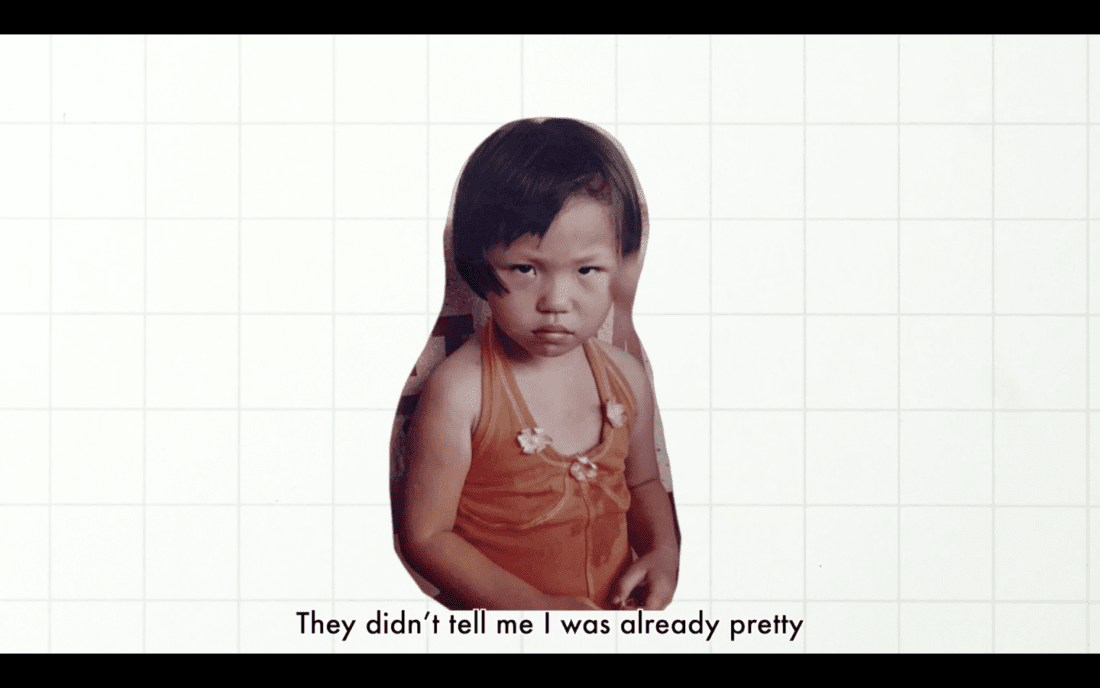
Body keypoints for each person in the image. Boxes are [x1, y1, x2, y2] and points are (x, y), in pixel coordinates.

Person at [393, 118, 678, 610]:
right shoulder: (462, 390)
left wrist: (664, 551)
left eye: (587, 270)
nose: (557, 301)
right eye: (525, 269)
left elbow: (644, 483)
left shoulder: (627, 377)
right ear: (480, 263)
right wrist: (533, 610)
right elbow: (426, 535)